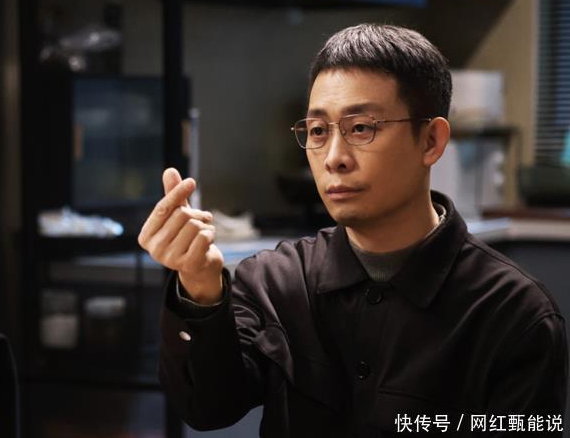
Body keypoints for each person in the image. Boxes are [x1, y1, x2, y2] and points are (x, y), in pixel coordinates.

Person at [138, 24, 568, 437]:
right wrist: (199, 286)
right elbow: (209, 408)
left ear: (431, 141)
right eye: (318, 131)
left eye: (361, 128)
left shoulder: (513, 314)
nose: (334, 158)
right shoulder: (274, 282)